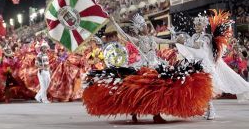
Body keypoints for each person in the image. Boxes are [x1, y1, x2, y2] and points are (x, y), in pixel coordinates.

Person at [83, 14, 213, 123]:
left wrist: (177, 41)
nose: (147, 27)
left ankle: (156, 114)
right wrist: (114, 23)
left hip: (156, 64)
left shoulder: (152, 38)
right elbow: (124, 36)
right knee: (140, 89)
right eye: (144, 25)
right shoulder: (138, 40)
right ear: (140, 29)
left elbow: (165, 42)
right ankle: (135, 112)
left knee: (159, 90)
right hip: (144, 65)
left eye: (146, 25)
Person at [176, 11, 249, 120]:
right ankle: (206, 109)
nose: (196, 26)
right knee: (199, 89)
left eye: (199, 24)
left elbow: (197, 46)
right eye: (195, 24)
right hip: (196, 66)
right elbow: (192, 47)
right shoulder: (194, 36)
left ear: (204, 26)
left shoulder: (207, 37)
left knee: (207, 89)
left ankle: (211, 110)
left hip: (206, 66)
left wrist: (184, 42)